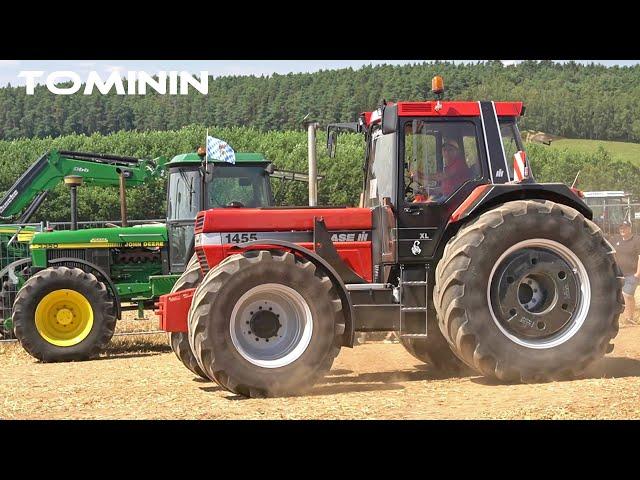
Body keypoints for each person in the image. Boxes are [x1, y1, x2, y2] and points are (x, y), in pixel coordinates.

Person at [612, 220, 640, 325]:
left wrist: (638, 273)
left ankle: (629, 318)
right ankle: (625, 317)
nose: (622, 230)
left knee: (627, 294)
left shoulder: (636, 240)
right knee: (623, 296)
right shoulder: (616, 240)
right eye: (621, 228)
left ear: (630, 228)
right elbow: (612, 254)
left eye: (624, 228)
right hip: (619, 274)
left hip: (632, 274)